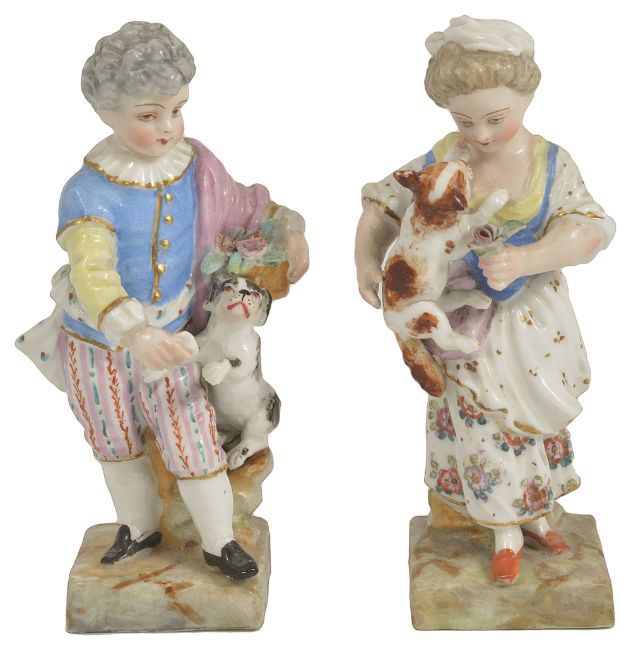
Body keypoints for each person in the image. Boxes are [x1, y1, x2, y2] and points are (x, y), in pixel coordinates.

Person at [17, 21, 308, 581]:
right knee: (114, 436)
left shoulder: (195, 166)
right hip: (98, 344)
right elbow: (92, 272)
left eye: (177, 109)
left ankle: (219, 541)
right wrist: (133, 332)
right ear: (106, 112)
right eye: (149, 115)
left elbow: (245, 206)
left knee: (191, 431)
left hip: (175, 338)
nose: (169, 127)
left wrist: (288, 228)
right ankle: (138, 525)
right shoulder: (89, 191)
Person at [355, 16, 614, 585]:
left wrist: (527, 258)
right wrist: (366, 260)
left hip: (529, 323)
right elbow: (383, 203)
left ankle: (537, 513)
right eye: (464, 120)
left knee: (530, 420)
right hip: (460, 319)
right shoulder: (447, 156)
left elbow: (593, 227)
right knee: (479, 423)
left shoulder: (551, 162)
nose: (482, 135)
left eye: (496, 118)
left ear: (526, 97)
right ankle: (502, 530)